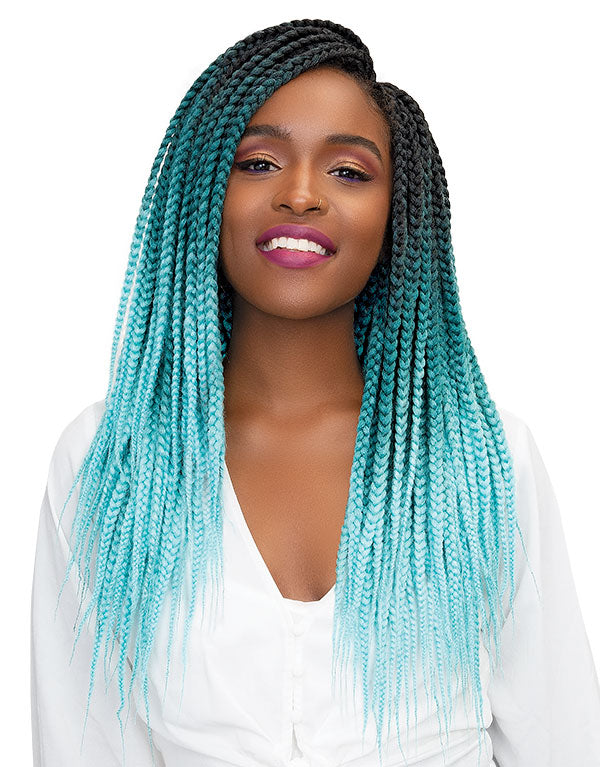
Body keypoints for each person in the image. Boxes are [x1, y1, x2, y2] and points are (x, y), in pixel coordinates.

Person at [30, 17, 600, 767]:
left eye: (349, 172)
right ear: (203, 193)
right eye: (259, 162)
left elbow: (562, 742)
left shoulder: (486, 461)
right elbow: (86, 748)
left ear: (399, 213)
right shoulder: (109, 459)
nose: (300, 195)